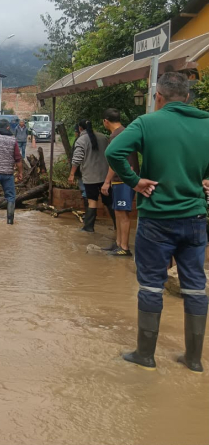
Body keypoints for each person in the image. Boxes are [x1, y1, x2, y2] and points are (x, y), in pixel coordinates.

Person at [106, 72, 209, 372]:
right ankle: (193, 360)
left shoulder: (147, 123)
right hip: (195, 218)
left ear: (159, 97)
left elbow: (114, 152)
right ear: (188, 97)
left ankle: (146, 355)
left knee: (151, 286)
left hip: (157, 219)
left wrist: (135, 182)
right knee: (195, 287)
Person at [100, 108, 138, 257]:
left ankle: (124, 247)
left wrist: (106, 181)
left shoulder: (118, 136)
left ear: (106, 121)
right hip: (121, 180)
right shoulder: (123, 132)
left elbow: (114, 162)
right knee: (118, 212)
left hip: (124, 179)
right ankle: (118, 243)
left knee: (123, 214)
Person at [68, 119, 111, 233]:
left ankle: (89, 227)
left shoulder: (81, 140)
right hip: (105, 176)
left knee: (92, 201)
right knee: (109, 202)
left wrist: (72, 174)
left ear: (80, 129)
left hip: (90, 177)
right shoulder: (103, 137)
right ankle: (118, 226)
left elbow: (77, 159)